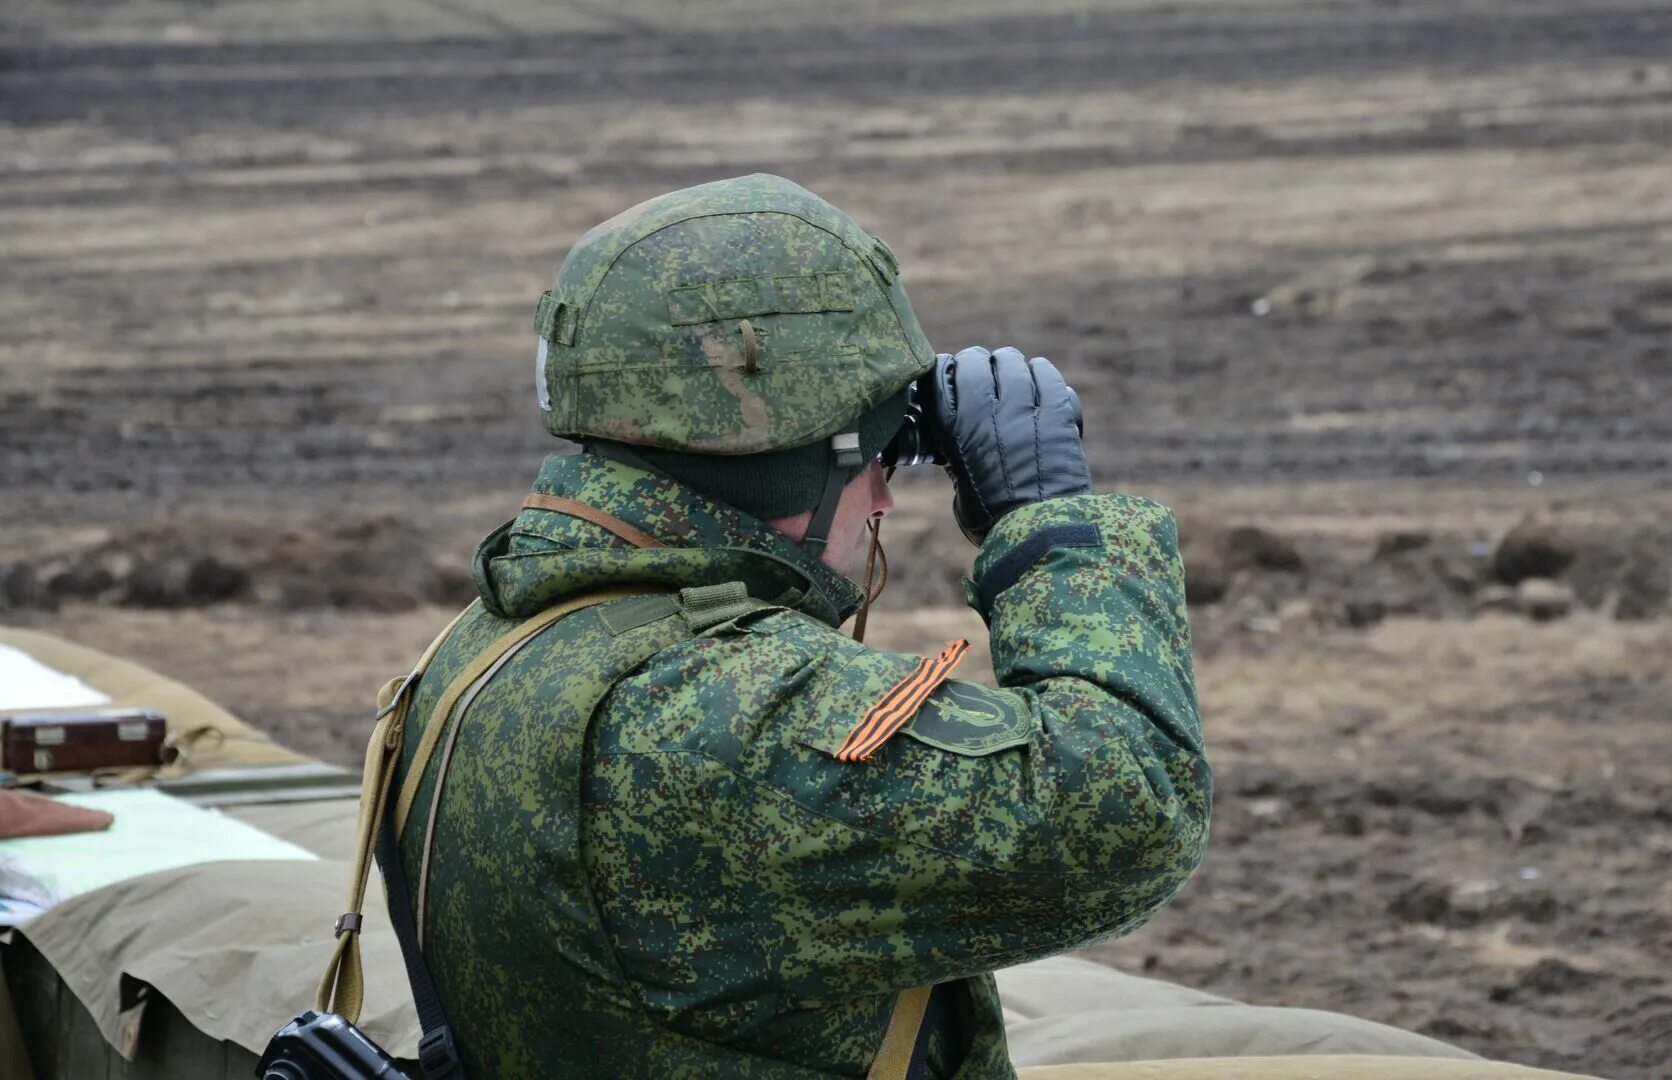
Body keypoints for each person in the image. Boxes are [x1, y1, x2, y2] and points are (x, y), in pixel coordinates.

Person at [383, 173, 1208, 1078]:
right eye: (874, 456)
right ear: (787, 463)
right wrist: (1048, 525)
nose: (886, 493)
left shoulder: (498, 639)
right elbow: (1132, 805)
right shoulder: (716, 716)